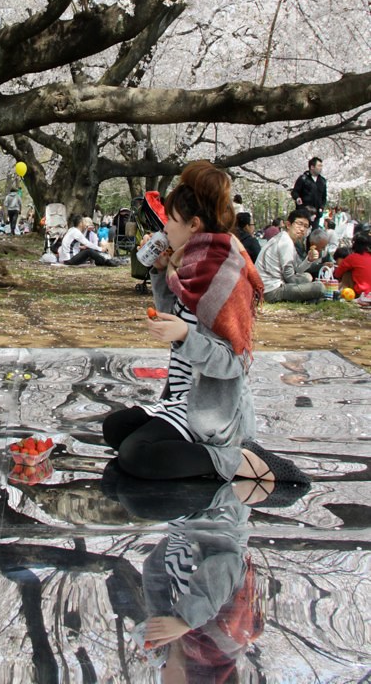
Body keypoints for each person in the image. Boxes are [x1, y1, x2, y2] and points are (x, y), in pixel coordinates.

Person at [102, 160, 310, 487]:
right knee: (114, 428)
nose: (164, 228)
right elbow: (175, 311)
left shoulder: (224, 272)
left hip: (212, 411)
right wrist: (158, 272)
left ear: (194, 224)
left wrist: (185, 335)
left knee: (135, 455)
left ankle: (236, 459)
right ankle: (195, 449)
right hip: (181, 398)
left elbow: (234, 362)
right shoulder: (189, 260)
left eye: (170, 220)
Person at [255, 208, 325, 303]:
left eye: (306, 226)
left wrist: (309, 259)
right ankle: (309, 298)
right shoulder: (285, 242)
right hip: (271, 291)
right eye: (299, 224)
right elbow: (289, 278)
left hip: (269, 287)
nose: (302, 229)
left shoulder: (286, 239)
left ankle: (309, 299)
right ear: (288, 225)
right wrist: (308, 286)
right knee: (320, 287)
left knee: (307, 276)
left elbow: (297, 269)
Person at [291, 156, 327, 228]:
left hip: (316, 214)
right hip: (303, 212)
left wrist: (321, 207)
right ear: (312, 167)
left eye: (321, 166)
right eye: (319, 166)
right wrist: (297, 198)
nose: (321, 168)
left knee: (313, 235)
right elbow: (295, 192)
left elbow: (324, 197)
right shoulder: (303, 178)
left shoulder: (322, 181)